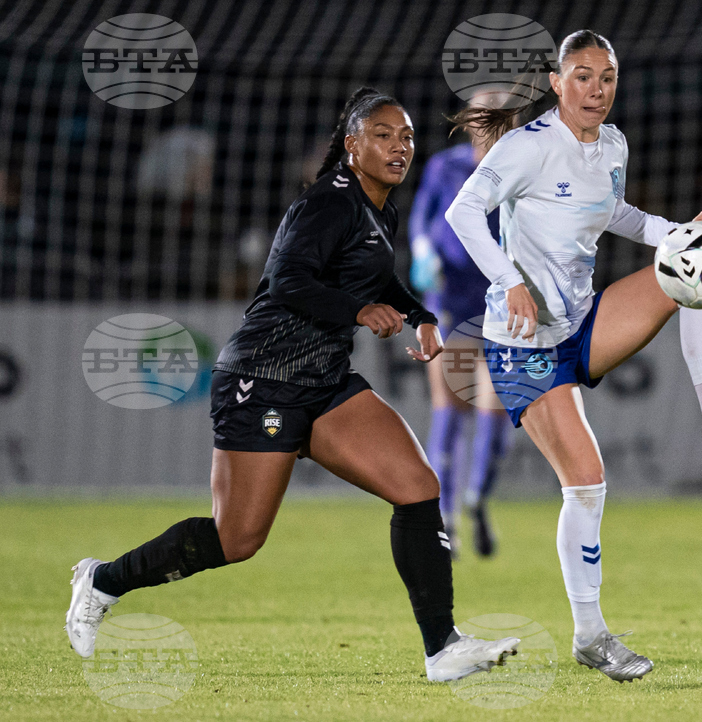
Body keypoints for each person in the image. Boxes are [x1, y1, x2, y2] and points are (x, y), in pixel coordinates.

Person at [65, 87, 518, 683]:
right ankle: (102, 580)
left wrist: (419, 313)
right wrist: (358, 311)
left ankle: (443, 649)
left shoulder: (379, 208)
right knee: (236, 539)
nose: (399, 147)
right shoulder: (327, 202)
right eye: (383, 135)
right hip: (263, 378)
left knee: (416, 486)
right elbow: (287, 282)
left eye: (407, 137)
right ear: (352, 144)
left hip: (324, 381)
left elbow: (376, 278)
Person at [445, 31, 702, 682]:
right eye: (582, 76)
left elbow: (617, 215)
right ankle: (590, 636)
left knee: (700, 262)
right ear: (557, 83)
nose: (596, 90)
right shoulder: (528, 147)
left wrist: (679, 231)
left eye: (606, 77)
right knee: (586, 482)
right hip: (524, 344)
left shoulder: (612, 145)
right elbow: (462, 214)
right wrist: (509, 280)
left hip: (582, 322)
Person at [408, 107, 511, 558]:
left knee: (496, 410)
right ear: (471, 125)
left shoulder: (520, 171)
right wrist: (422, 250)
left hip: (501, 305)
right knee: (450, 409)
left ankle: (477, 499)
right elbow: (421, 218)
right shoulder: (444, 167)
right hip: (451, 301)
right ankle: (446, 516)